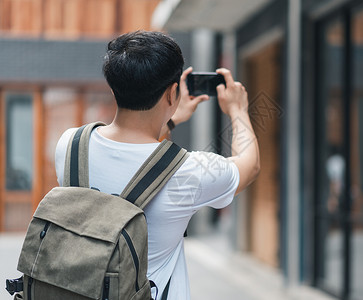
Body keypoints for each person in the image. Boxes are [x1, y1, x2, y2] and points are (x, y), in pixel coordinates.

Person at [54, 30, 260, 300]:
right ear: (172, 92)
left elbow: (132, 151)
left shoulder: (70, 145)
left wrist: (170, 117)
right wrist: (238, 110)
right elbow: (249, 164)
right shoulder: (189, 171)